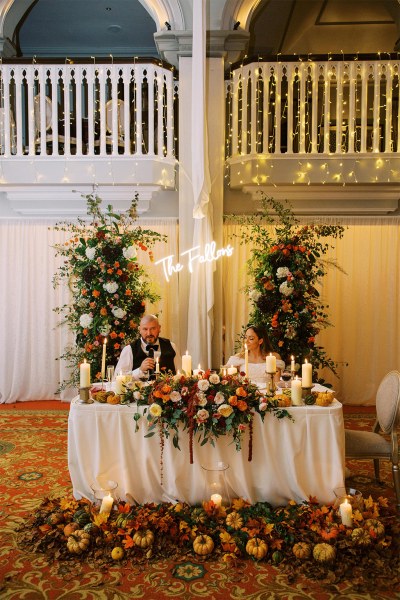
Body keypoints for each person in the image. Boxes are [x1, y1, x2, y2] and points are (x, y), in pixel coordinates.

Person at [114, 314, 178, 379]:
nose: (149, 333)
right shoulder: (129, 350)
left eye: (153, 328)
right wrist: (140, 370)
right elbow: (117, 378)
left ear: (159, 328)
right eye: (145, 329)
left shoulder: (171, 346)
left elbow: (181, 374)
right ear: (140, 330)